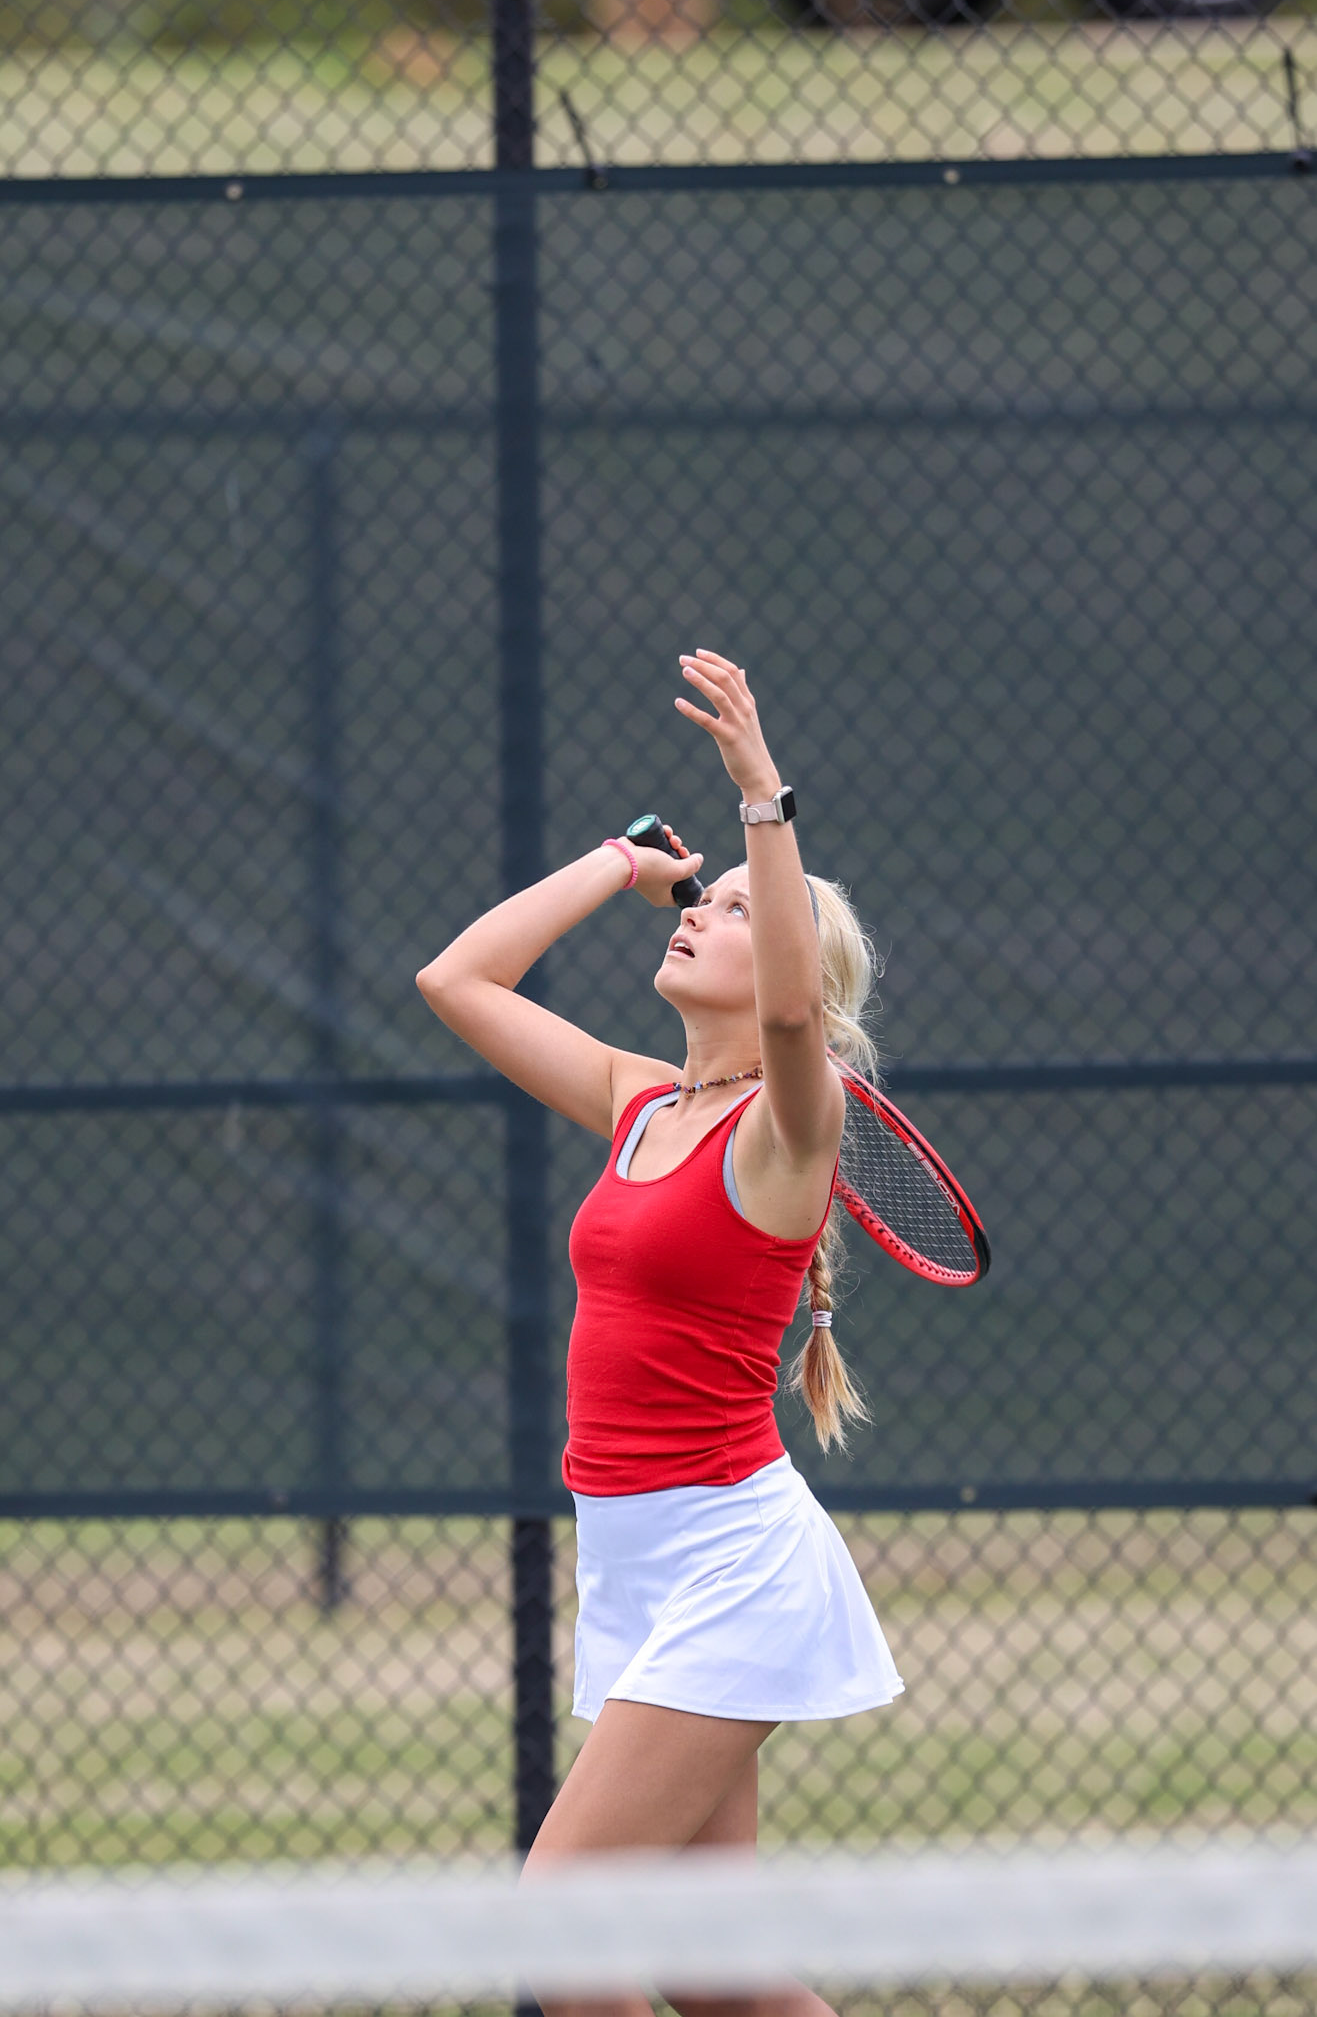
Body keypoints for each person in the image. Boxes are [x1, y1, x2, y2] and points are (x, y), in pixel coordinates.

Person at [415, 647, 903, 2017]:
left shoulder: (787, 1131)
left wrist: (760, 798)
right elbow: (458, 983)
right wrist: (619, 865)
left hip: (731, 1562)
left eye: (741, 916)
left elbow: (798, 1013)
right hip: (630, 1564)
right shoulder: (643, 1104)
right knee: (709, 1971)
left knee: (563, 1943)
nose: (701, 915)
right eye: (709, 903)